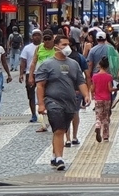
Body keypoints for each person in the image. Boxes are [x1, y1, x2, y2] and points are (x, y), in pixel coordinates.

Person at [36, 35, 90, 171]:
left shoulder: (74, 64)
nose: (67, 47)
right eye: (63, 45)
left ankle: (55, 155)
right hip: (53, 101)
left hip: (70, 102)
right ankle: (60, 158)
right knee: (59, 129)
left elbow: (80, 81)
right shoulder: (47, 64)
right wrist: (41, 104)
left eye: (68, 44)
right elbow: (40, 85)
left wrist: (86, 95)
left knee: (61, 130)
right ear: (56, 47)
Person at [20, 29, 43, 125]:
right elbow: (23, 62)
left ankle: (44, 112)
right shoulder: (27, 48)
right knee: (31, 95)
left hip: (42, 73)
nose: (36, 37)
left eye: (38, 35)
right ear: (31, 37)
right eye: (35, 35)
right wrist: (21, 74)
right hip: (30, 73)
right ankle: (33, 113)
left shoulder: (44, 47)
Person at [91, 56, 117, 142]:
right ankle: (105, 136)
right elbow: (110, 89)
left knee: (98, 115)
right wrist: (116, 88)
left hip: (98, 98)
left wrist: (92, 95)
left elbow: (93, 88)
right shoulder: (109, 76)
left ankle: (97, 125)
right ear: (107, 67)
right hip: (107, 99)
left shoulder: (95, 76)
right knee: (106, 117)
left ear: (99, 65)